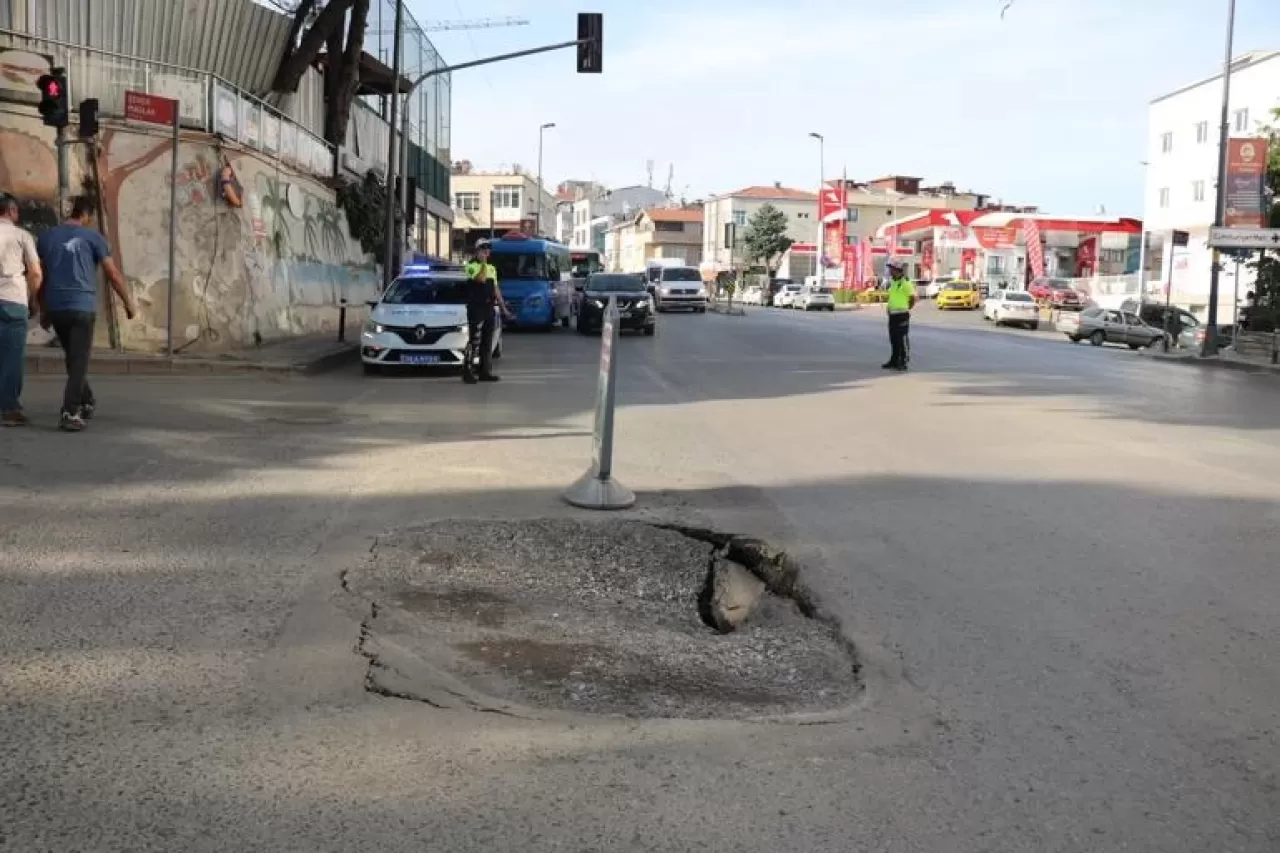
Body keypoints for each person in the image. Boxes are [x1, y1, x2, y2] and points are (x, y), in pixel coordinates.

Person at [36, 196, 135, 432]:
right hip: (82, 306)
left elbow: (41, 276)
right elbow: (112, 273)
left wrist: (43, 309)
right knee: (79, 360)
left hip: (58, 306)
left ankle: (86, 400)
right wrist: (128, 303)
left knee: (74, 358)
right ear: (87, 215)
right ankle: (70, 412)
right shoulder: (94, 238)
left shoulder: (47, 237)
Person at [0, 193, 42, 427]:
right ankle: (9, 410)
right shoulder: (22, 235)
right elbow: (35, 272)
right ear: (12, 211)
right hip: (13, 301)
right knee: (11, 359)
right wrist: (34, 298)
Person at [461, 239, 509, 384]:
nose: (486, 251)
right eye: (483, 249)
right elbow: (481, 279)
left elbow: (496, 289)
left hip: (489, 308)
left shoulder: (492, 268)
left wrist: (504, 309)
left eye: (488, 249)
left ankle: (485, 372)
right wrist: (482, 263)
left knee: (487, 342)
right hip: (476, 308)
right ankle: (468, 372)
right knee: (474, 341)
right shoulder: (471, 266)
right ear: (477, 251)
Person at [883, 260, 915, 371]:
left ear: (897, 269)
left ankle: (903, 361)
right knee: (894, 339)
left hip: (902, 315)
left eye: (891, 268)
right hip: (893, 315)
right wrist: (889, 307)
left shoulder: (906, 282)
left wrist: (906, 308)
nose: (890, 270)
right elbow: (893, 296)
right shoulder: (893, 281)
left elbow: (912, 298)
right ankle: (894, 360)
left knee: (902, 339)